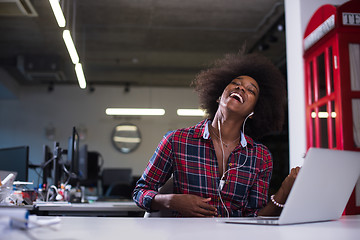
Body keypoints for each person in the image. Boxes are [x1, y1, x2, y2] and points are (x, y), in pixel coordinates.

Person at [133, 51, 300, 217]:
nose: (240, 87)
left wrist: (285, 190)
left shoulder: (260, 156)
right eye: (236, 83)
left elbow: (256, 217)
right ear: (219, 97)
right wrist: (171, 201)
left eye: (251, 90)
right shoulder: (177, 140)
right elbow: (140, 192)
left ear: (254, 111)